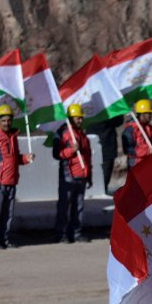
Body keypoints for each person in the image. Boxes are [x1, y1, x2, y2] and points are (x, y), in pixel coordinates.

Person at [0, 104, 35, 249]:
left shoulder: (13, 136)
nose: (6, 123)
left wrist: (26, 158)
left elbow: (15, 158)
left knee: (8, 214)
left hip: (12, 181)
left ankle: (4, 239)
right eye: (3, 120)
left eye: (9, 120)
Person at [54, 104, 93, 244]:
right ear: (71, 118)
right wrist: (71, 150)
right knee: (65, 206)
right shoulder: (62, 133)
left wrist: (89, 176)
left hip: (82, 175)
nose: (80, 120)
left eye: (81, 118)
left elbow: (87, 157)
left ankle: (76, 233)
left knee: (79, 206)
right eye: (77, 118)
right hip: (68, 175)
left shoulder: (83, 135)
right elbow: (57, 154)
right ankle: (61, 234)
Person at [122, 99, 152, 170]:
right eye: (149, 113)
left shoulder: (150, 128)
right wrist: (147, 151)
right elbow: (128, 149)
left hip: (150, 163)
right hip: (136, 165)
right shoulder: (130, 129)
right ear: (142, 114)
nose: (150, 116)